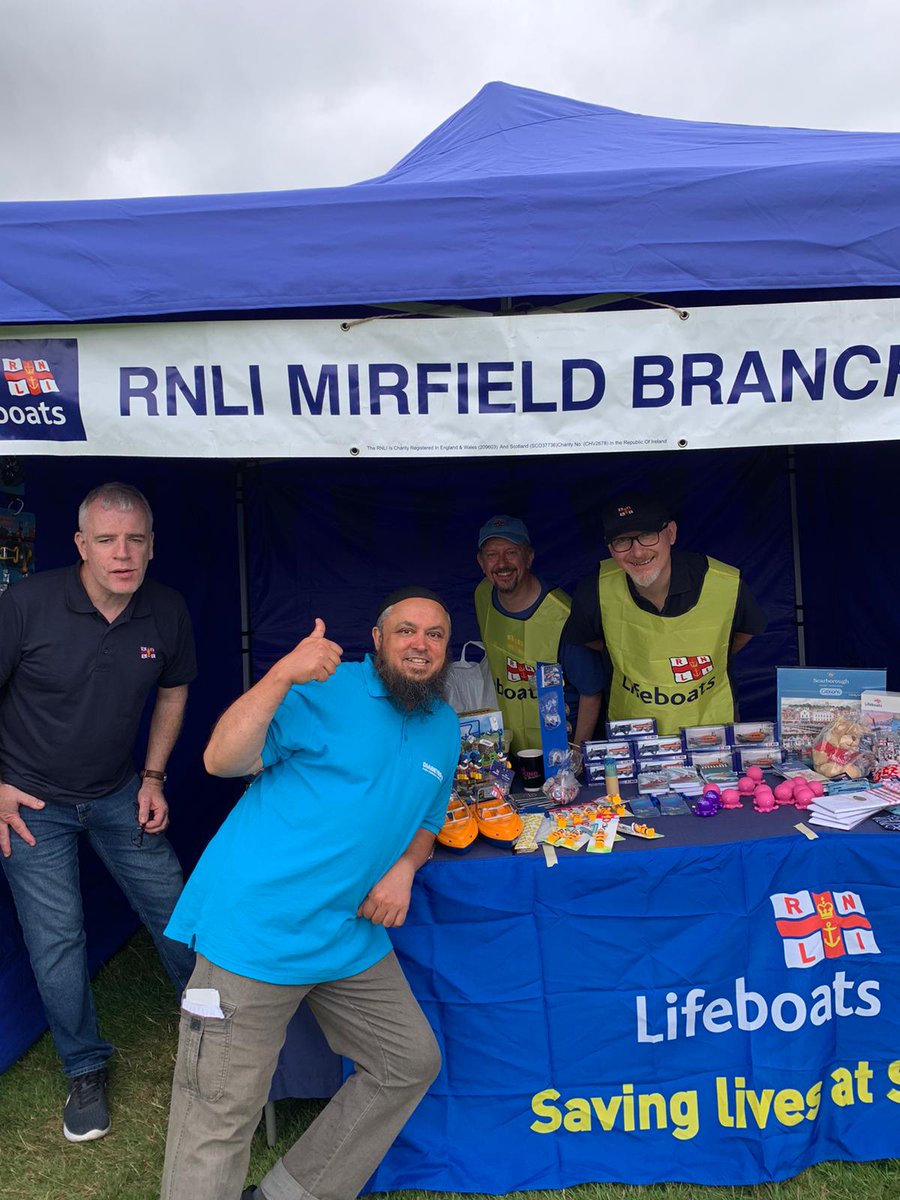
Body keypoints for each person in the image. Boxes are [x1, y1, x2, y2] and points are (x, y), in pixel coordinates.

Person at [160, 588, 460, 1200]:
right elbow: (221, 759)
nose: (420, 645)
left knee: (408, 1062)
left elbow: (429, 819)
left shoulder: (443, 726)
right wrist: (280, 675)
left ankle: (291, 1193)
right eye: (406, 631)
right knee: (219, 1113)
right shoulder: (325, 687)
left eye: (433, 634)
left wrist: (404, 866)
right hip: (255, 931)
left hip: (347, 935)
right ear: (376, 640)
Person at [0, 482, 197, 1143]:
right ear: (81, 544)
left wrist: (152, 777)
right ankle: (84, 1068)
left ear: (150, 545)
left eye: (135, 539)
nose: (122, 553)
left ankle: (214, 1032)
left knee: (179, 911)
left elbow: (173, 692)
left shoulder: (165, 610)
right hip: (33, 803)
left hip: (118, 791)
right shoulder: (25, 605)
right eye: (107, 540)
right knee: (57, 942)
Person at [564, 493, 767, 735]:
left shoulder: (724, 583)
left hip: (710, 736)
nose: (637, 552)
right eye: (622, 541)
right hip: (633, 740)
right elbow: (590, 638)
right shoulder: (594, 590)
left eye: (647, 535)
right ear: (610, 548)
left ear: (670, 533)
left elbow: (745, 631)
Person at [475, 515, 604, 751]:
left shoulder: (563, 616)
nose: (502, 563)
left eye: (511, 552)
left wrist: (576, 754)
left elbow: (591, 692)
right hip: (508, 747)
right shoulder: (483, 595)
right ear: (481, 562)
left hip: (557, 751)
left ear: (529, 557)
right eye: (492, 555)